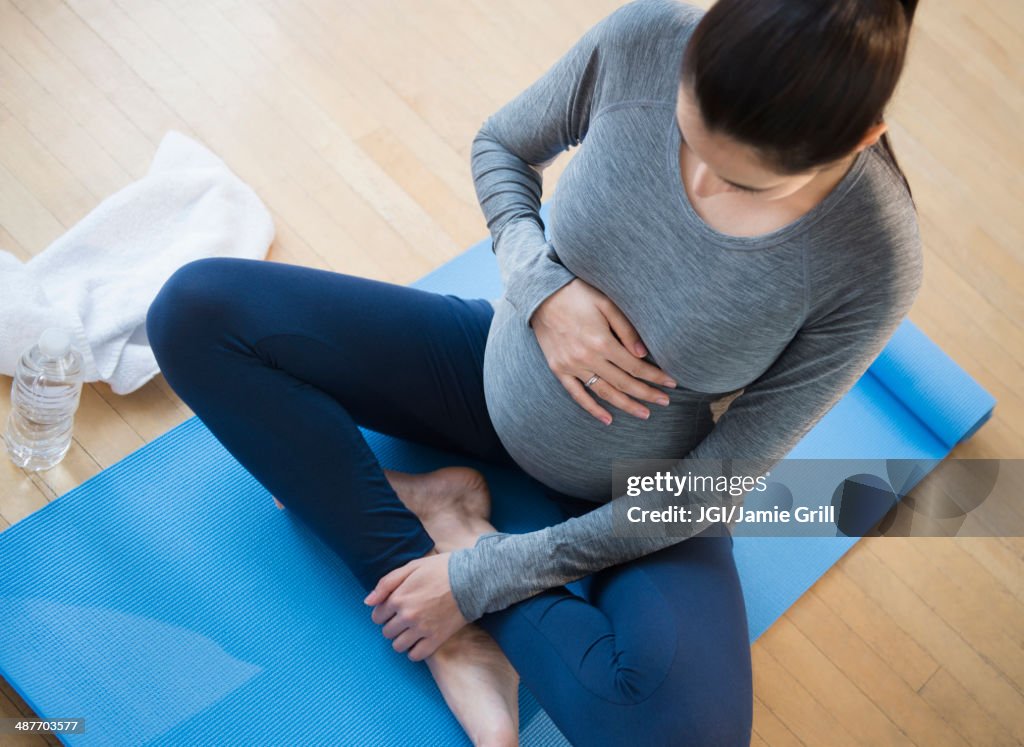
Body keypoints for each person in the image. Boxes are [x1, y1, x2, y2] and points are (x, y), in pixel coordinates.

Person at [145, 0, 923, 744]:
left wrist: (490, 573)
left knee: (684, 735)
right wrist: (541, 286)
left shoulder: (873, 258)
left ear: (861, 137)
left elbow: (713, 482)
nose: (704, 184)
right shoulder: (649, 37)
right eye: (688, 134)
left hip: (641, 487)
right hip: (494, 371)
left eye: (748, 182)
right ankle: (437, 610)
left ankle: (457, 535)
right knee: (195, 311)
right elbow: (501, 145)